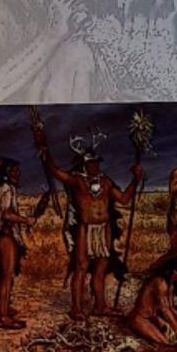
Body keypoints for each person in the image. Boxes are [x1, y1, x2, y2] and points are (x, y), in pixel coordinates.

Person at [33, 121, 143, 317]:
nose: (95, 165)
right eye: (92, 162)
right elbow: (55, 170)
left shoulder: (106, 182)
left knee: (101, 269)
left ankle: (100, 306)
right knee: (81, 266)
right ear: (84, 164)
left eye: (97, 162)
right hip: (85, 229)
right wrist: (44, 148)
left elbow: (124, 199)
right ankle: (76, 308)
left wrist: (136, 179)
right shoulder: (77, 180)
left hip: (104, 229)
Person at [0, 158, 37, 329]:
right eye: (14, 171)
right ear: (6, 173)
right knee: (6, 276)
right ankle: (3, 316)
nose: (18, 174)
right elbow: (7, 214)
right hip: (5, 236)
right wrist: (26, 220)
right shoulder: (8, 189)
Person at [127, 259, 177, 346]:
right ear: (170, 270)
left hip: (153, 317)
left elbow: (171, 308)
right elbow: (165, 309)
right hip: (139, 318)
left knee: (172, 338)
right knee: (165, 344)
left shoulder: (170, 285)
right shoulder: (159, 282)